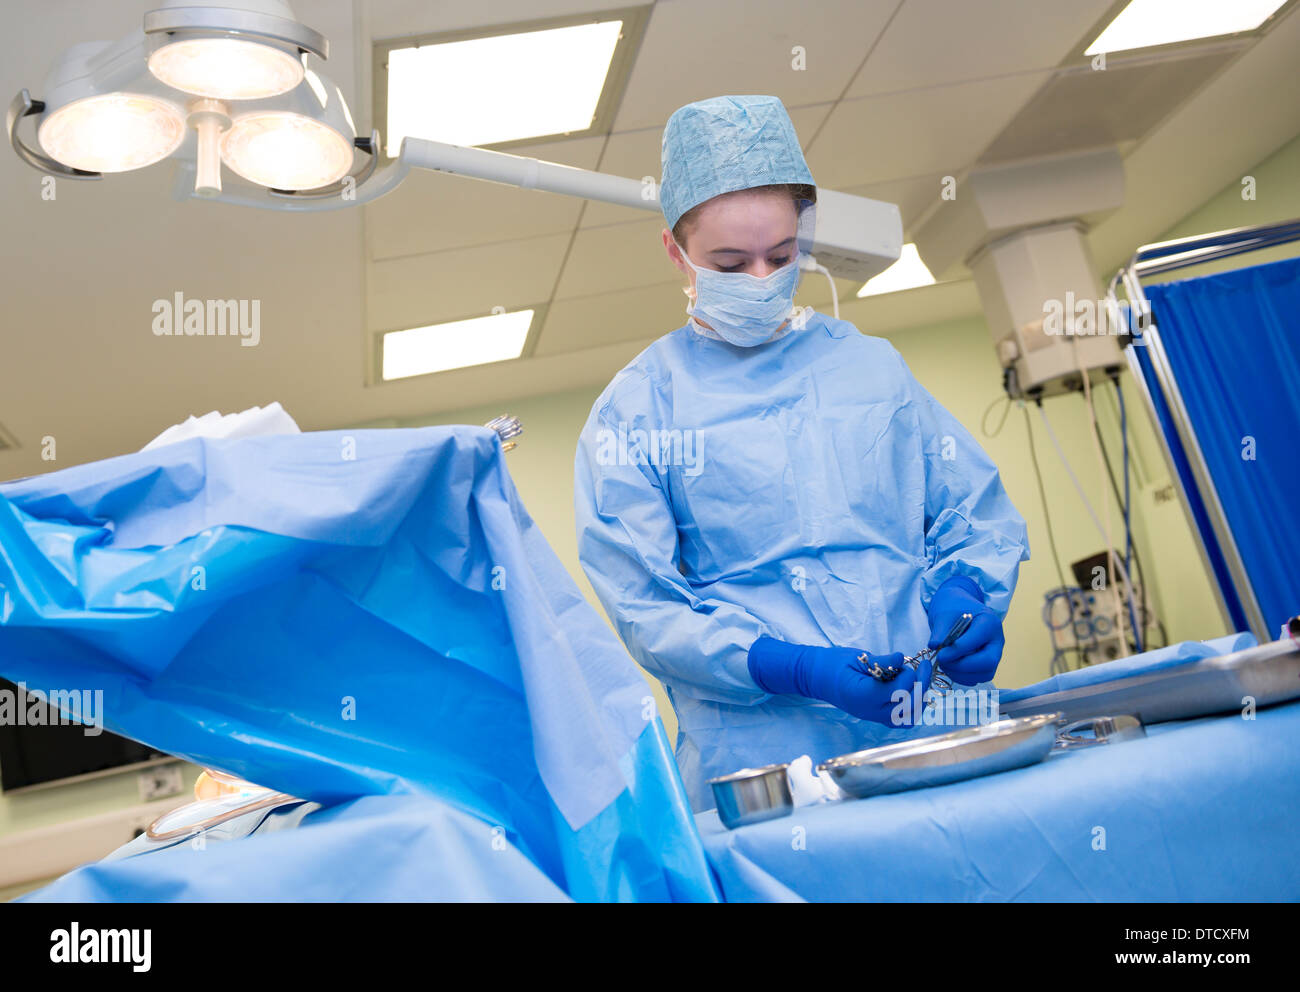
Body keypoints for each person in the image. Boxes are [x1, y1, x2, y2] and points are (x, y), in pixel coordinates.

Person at [574, 95, 1030, 811]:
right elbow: (646, 608)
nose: (761, 278)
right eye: (729, 261)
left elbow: (971, 512)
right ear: (676, 252)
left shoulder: (873, 369)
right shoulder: (638, 412)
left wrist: (967, 595)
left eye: (781, 256)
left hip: (931, 726)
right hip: (767, 771)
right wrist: (794, 667)